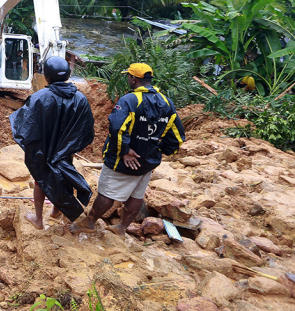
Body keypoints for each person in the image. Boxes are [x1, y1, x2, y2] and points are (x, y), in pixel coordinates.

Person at [72, 63, 185, 235]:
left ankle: (90, 222)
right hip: (147, 161)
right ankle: (122, 227)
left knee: (106, 194)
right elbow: (176, 136)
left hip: (124, 160)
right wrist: (158, 149)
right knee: (136, 195)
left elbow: (117, 127)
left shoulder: (130, 100)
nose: (128, 79)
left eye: (129, 76)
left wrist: (124, 151)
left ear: (134, 78)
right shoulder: (166, 102)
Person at [10, 56, 95, 229]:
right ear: (68, 74)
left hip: (43, 150)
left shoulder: (40, 97)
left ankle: (38, 219)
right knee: (63, 176)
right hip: (65, 151)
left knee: (41, 181)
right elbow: (86, 129)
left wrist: (35, 149)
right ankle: (56, 211)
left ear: (46, 76)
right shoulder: (80, 99)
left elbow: (26, 126)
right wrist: (70, 146)